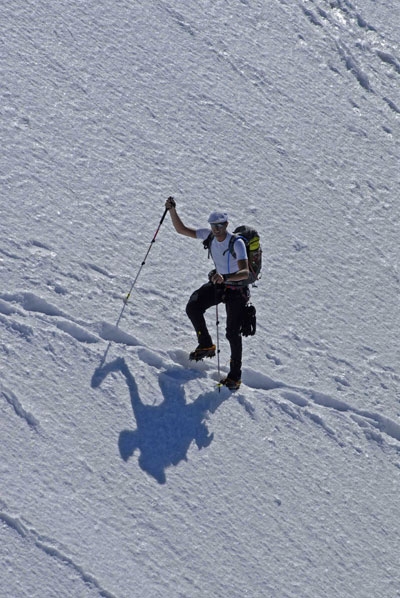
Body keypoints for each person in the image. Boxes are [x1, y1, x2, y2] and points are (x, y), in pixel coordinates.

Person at [165, 196, 250, 391]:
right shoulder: (209, 236)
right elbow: (182, 230)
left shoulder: (237, 243)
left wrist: (226, 278)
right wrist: (172, 211)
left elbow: (245, 272)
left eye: (219, 226)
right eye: (213, 226)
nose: (216, 230)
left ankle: (235, 376)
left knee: (231, 333)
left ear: (226, 225)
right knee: (193, 306)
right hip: (219, 284)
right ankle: (206, 344)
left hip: (236, 290)